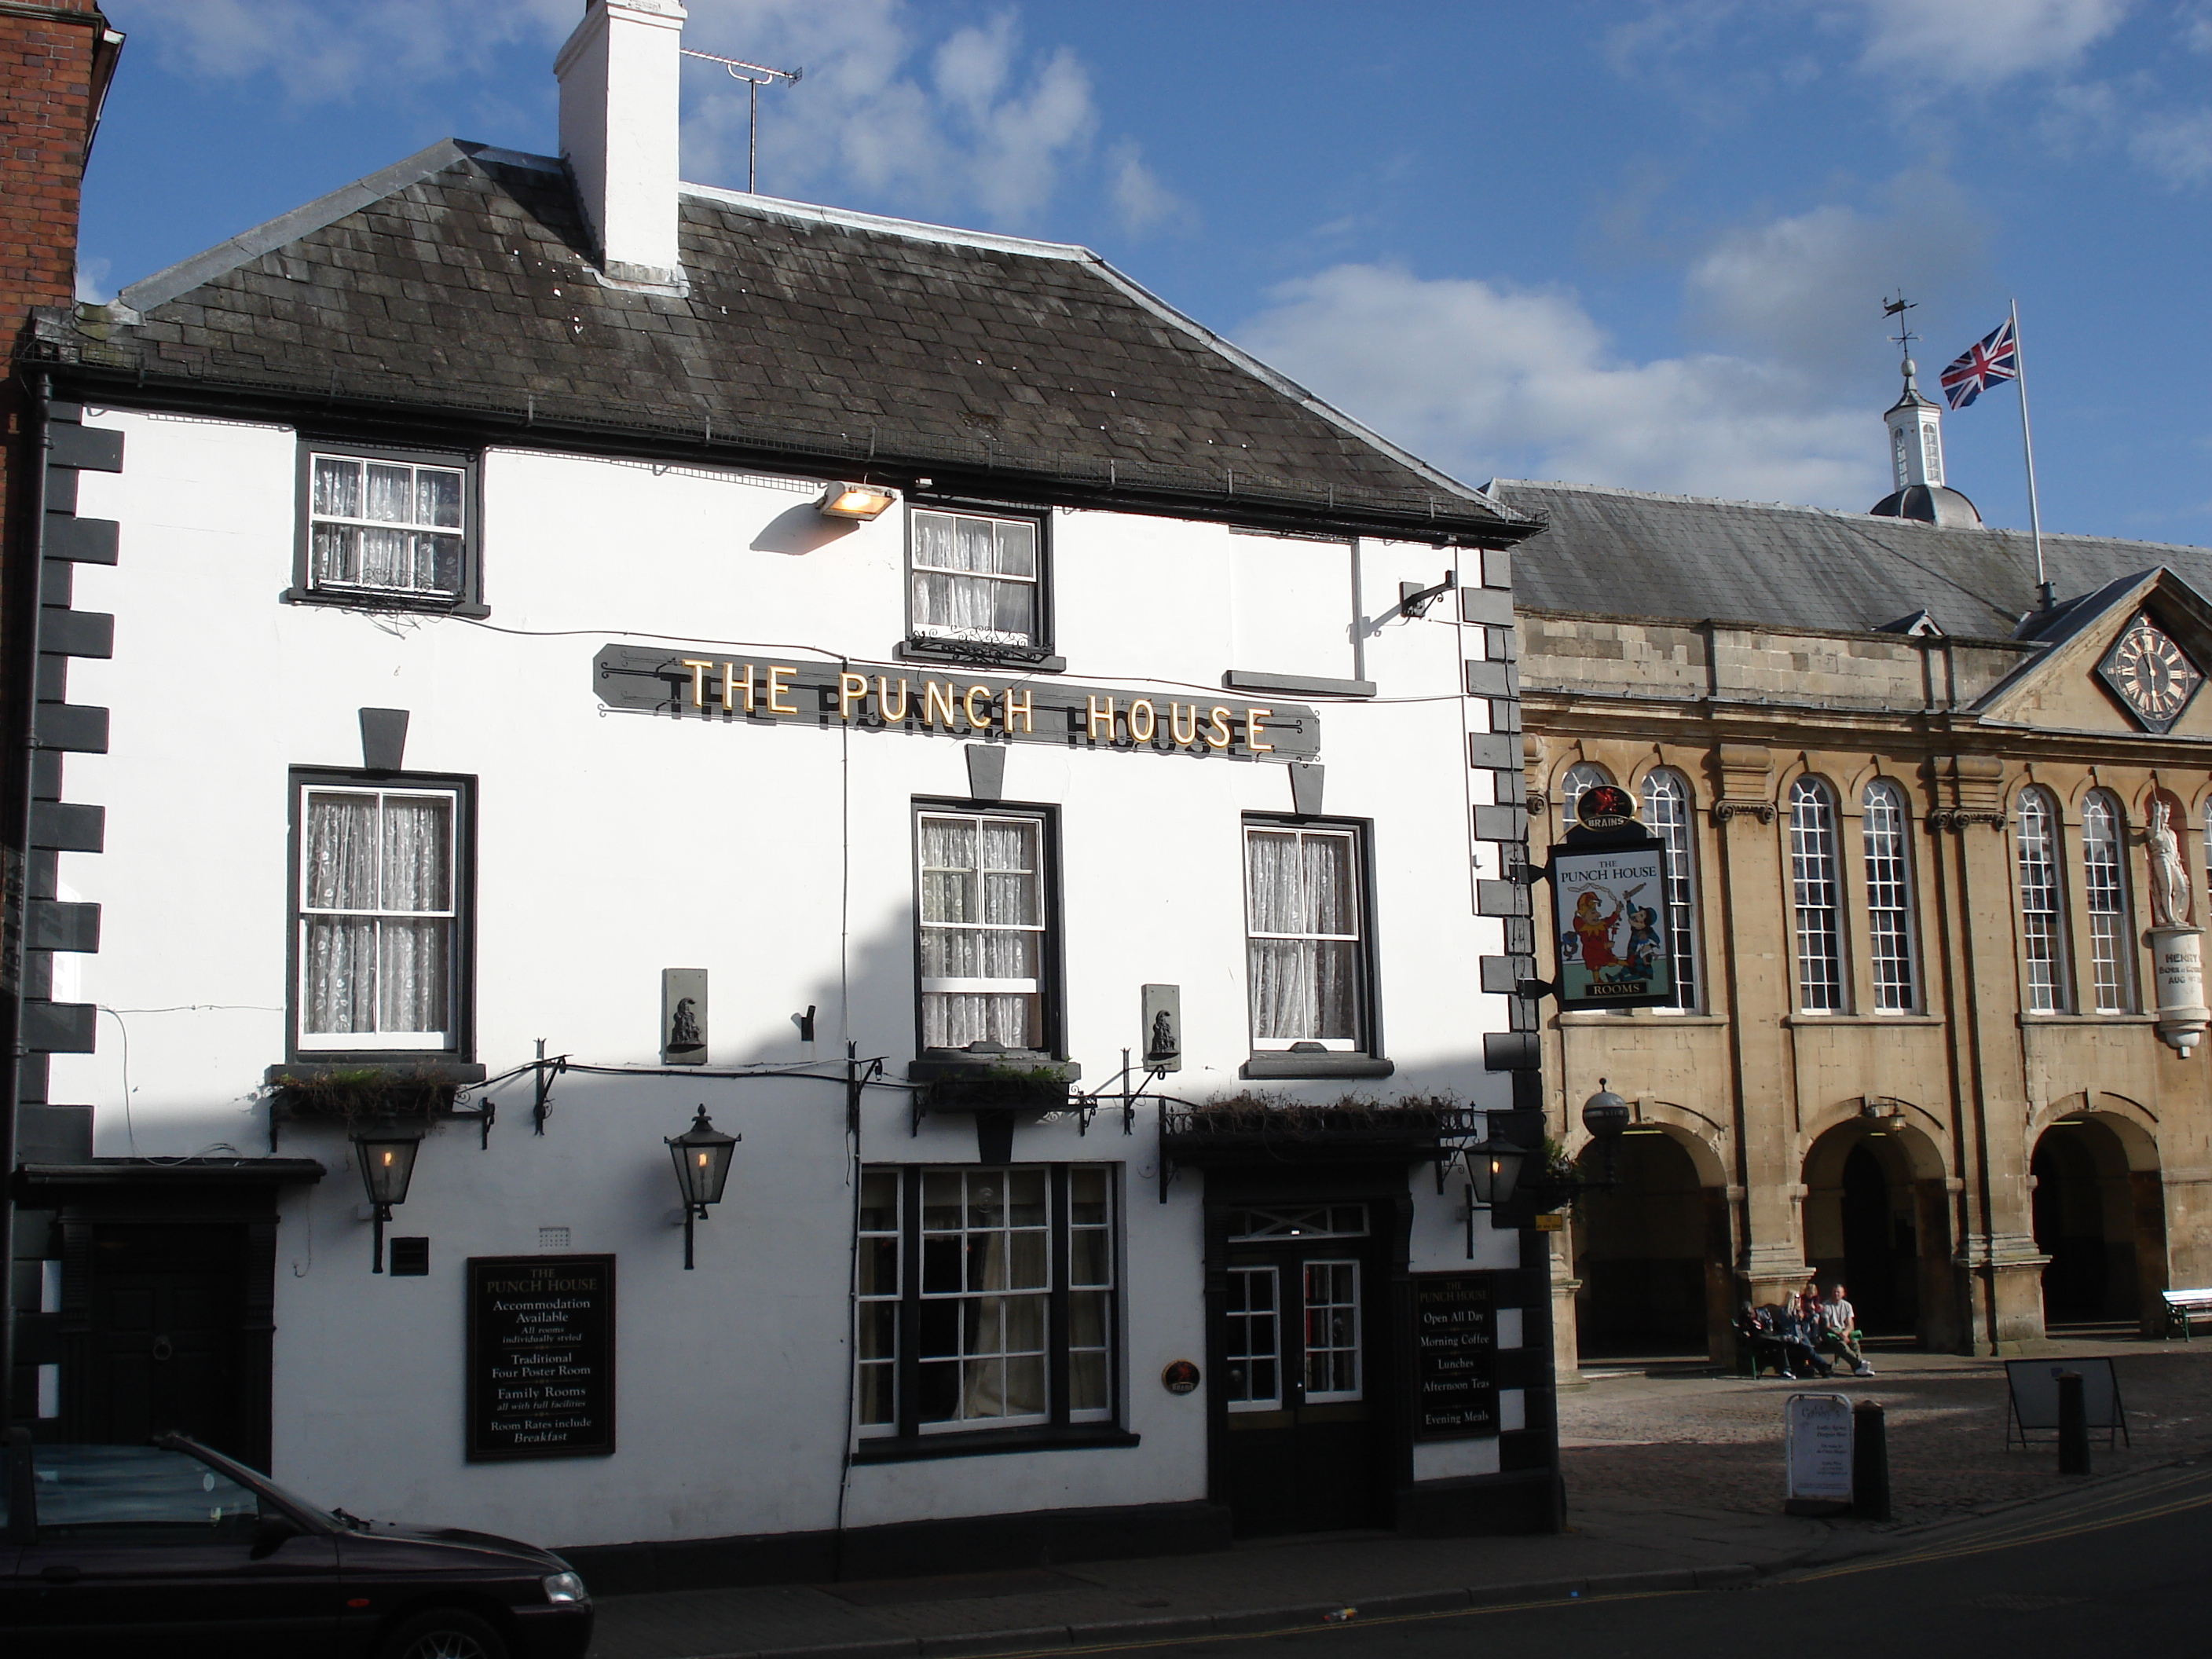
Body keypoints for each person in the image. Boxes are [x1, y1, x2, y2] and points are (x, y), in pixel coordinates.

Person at [1818, 1282, 1874, 1376]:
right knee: (1842, 1346)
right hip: (1832, 1333)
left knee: (1854, 1344)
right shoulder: (1826, 1306)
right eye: (1834, 1292)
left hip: (1844, 1332)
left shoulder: (1847, 1306)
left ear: (1843, 1294)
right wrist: (1839, 1334)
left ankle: (1858, 1368)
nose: (1836, 1294)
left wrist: (1845, 1333)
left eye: (1838, 1292)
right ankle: (1860, 1365)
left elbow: (1850, 1324)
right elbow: (1826, 1326)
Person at [1772, 1296, 1833, 1379]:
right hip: (1790, 1338)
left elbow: (1808, 1320)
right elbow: (1785, 1325)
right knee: (1808, 1349)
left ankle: (1824, 1369)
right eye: (1796, 1298)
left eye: (1799, 1298)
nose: (1798, 1300)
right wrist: (1795, 1318)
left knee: (1810, 1350)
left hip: (1801, 1336)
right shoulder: (1783, 1311)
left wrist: (1813, 1312)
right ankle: (1824, 1367)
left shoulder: (1799, 1310)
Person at [1734, 1302, 1788, 1379]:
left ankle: (1783, 1369)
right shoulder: (1744, 1318)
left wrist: (1761, 1327)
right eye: (1747, 1314)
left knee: (1779, 1345)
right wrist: (1747, 1331)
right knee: (1773, 1344)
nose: (1749, 1316)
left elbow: (1769, 1326)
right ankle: (1781, 1369)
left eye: (1750, 1313)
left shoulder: (1762, 1312)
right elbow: (1743, 1330)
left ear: (1753, 1310)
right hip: (1755, 1340)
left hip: (1767, 1336)